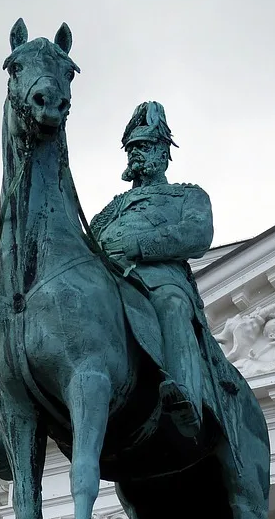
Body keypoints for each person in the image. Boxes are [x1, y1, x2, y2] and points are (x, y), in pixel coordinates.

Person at [90, 102, 212, 437]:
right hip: (108, 282)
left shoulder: (187, 196)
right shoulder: (111, 209)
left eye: (143, 147)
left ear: (163, 152)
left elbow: (197, 236)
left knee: (172, 304)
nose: (135, 154)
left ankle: (186, 397)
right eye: (131, 148)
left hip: (159, 281)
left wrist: (139, 246)